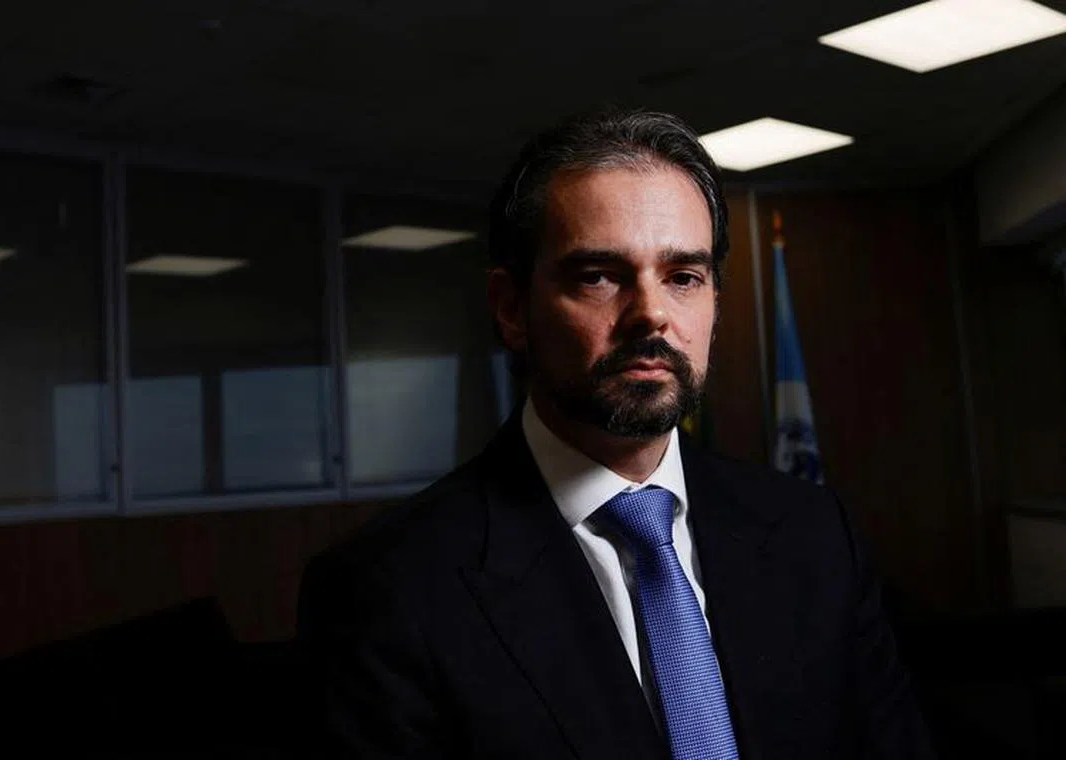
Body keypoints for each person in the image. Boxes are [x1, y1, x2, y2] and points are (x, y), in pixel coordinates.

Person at [296, 108, 933, 759]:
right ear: (512, 310)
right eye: (598, 276)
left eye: (683, 276)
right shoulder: (386, 590)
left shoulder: (815, 534)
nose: (652, 313)